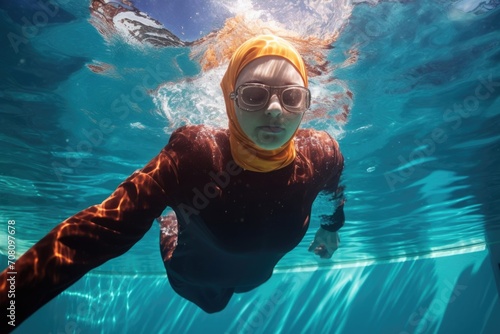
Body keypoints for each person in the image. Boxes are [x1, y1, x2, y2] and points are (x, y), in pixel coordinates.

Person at [0, 34, 345, 331]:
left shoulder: (322, 153)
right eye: (255, 95)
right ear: (230, 99)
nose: (274, 110)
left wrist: (332, 225)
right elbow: (92, 235)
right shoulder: (196, 154)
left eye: (292, 97)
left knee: (237, 289)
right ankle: (171, 224)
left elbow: (334, 188)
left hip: (253, 277)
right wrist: (7, 304)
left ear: (306, 104)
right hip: (190, 274)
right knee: (212, 305)